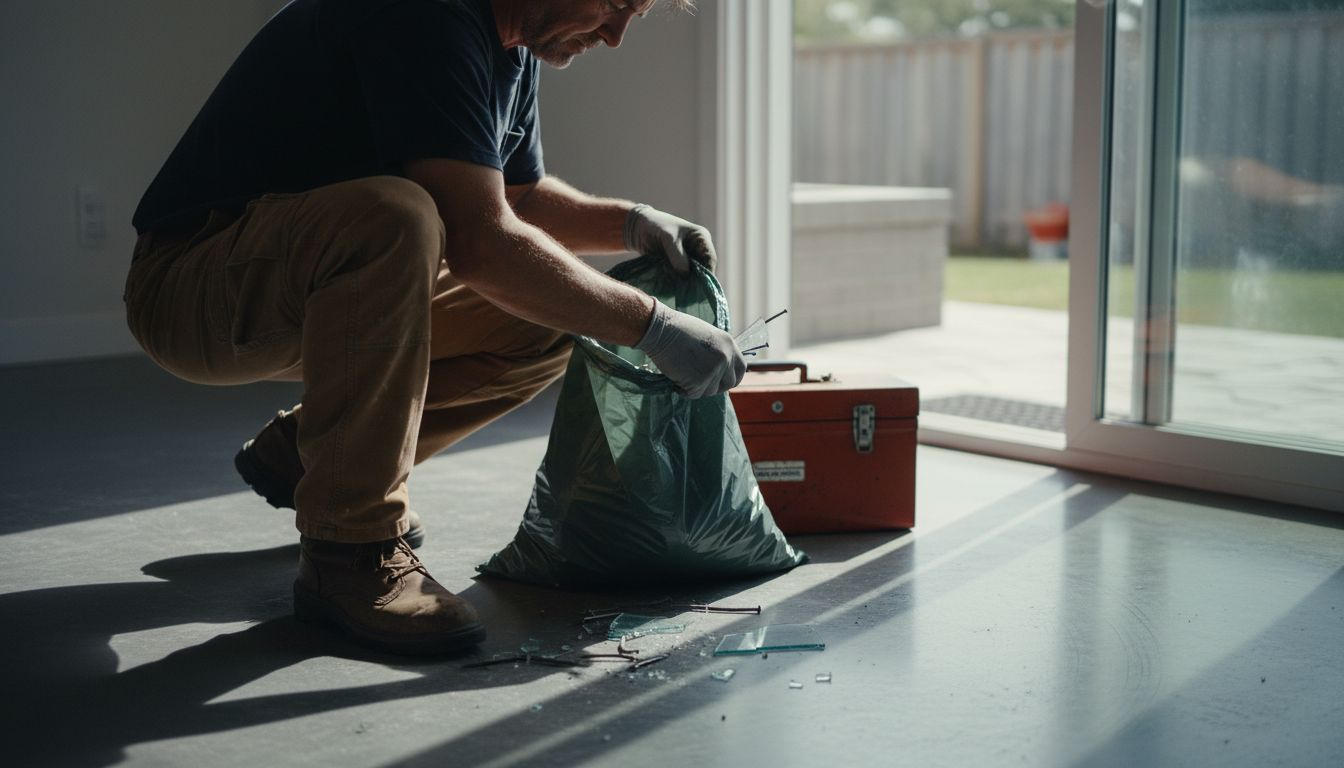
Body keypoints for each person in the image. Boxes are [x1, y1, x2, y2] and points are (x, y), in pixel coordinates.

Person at [124, 0, 745, 655]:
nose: (617, 36)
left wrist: (632, 222)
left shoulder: (510, 49)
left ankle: (310, 454)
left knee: (550, 318)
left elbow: (516, 202)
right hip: (193, 286)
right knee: (396, 218)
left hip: (312, 290)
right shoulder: (424, 14)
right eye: (616, 4)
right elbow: (482, 243)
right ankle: (350, 549)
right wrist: (656, 328)